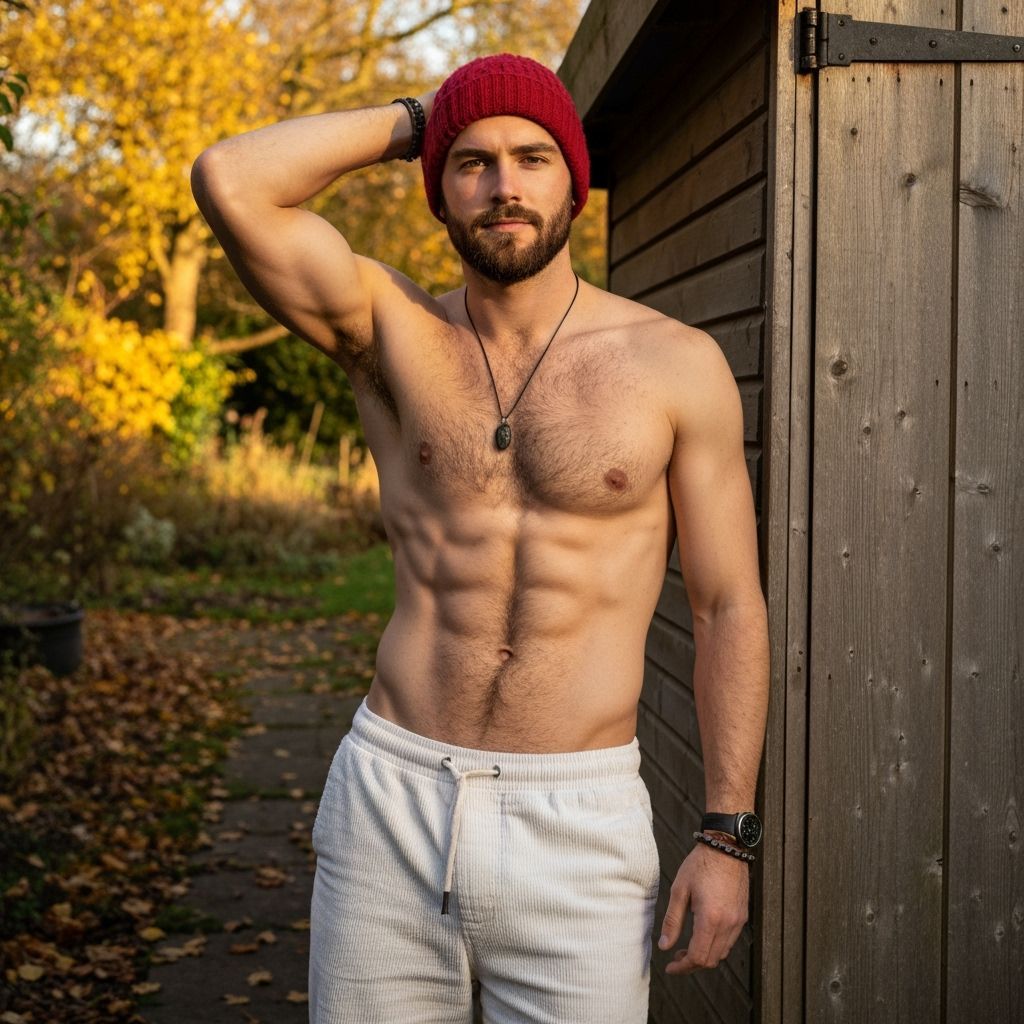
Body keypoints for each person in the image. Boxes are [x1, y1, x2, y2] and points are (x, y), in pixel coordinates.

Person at [191, 53, 769, 1024]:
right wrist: (429, 114)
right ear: (438, 191)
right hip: (392, 802)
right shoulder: (391, 331)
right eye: (473, 162)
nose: (505, 186)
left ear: (574, 184)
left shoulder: (675, 364)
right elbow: (230, 178)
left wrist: (727, 835)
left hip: (579, 823)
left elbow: (727, 606)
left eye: (533, 157)